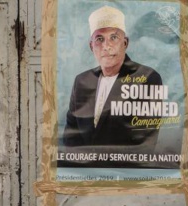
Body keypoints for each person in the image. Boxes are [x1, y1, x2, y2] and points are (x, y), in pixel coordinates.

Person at [60, 5, 163, 167]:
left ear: (125, 43)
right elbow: (70, 137)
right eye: (99, 39)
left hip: (125, 176)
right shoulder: (81, 81)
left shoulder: (147, 78)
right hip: (83, 177)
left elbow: (145, 144)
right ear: (91, 46)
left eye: (113, 37)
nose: (106, 46)